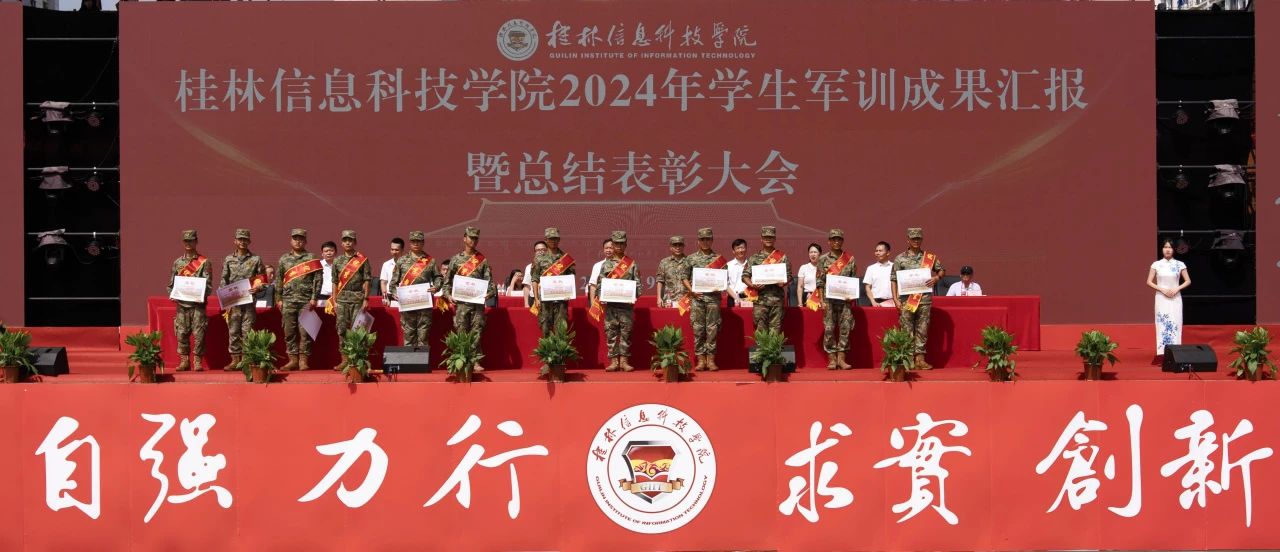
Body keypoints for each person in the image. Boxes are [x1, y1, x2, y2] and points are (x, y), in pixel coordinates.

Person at [890, 227, 945, 370]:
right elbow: (893, 279)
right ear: (908, 240)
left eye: (918, 238)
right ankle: (908, 359)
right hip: (906, 300)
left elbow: (941, 270)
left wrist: (936, 278)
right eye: (913, 238)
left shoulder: (929, 257)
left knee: (923, 329)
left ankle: (920, 359)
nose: (916, 241)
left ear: (922, 240)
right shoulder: (900, 258)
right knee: (906, 329)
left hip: (924, 300)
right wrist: (895, 298)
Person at [443, 226, 496, 372]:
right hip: (461, 304)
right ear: (464, 238)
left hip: (477, 304)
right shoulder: (456, 259)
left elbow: (491, 284)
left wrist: (489, 293)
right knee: (461, 331)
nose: (473, 240)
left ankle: (474, 361)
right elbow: (447, 283)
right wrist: (448, 295)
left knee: (476, 331)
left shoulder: (482, 260)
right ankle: (461, 360)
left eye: (476, 238)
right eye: (471, 237)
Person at [275, 228, 323, 371]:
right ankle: (293, 360)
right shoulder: (284, 259)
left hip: (305, 300)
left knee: (305, 332)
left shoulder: (311, 258)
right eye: (295, 238)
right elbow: (279, 280)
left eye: (301, 239)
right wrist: (278, 298)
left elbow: (317, 279)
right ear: (291, 240)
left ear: (305, 241)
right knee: (289, 332)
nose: (298, 241)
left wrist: (314, 297)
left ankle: (303, 360)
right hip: (288, 300)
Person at [219, 228, 267, 371]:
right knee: (233, 331)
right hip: (233, 302)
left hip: (249, 301)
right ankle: (235, 360)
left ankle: (247, 359)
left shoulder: (256, 259)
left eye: (245, 239)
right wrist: (224, 298)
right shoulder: (228, 259)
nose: (242, 242)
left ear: (249, 241)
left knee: (248, 331)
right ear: (235, 241)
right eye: (240, 239)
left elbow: (263, 279)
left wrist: (258, 287)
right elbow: (224, 280)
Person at [682, 227, 728, 371]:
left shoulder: (719, 259)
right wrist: (692, 290)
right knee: (698, 329)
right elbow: (684, 277)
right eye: (702, 239)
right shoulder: (691, 258)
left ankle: (711, 360)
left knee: (712, 329)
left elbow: (725, 279)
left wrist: (720, 285)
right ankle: (701, 360)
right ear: (698, 241)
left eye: (708, 239)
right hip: (698, 299)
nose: (705, 242)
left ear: (712, 240)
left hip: (713, 300)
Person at [388, 230, 441, 351]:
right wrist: (395, 294)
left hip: (424, 305)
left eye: (419, 241)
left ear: (423, 243)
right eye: (413, 241)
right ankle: (409, 361)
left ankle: (422, 361)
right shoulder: (402, 261)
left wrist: (436, 287)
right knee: (409, 336)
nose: (416, 243)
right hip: (407, 304)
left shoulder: (430, 261)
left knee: (423, 336)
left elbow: (438, 277)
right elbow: (393, 283)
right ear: (410, 243)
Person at [168, 229, 212, 371]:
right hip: (182, 305)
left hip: (198, 305)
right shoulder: (177, 263)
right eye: (186, 241)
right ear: (183, 242)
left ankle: (197, 361)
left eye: (191, 241)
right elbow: (171, 284)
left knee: (199, 334)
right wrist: (172, 294)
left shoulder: (204, 262)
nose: (188, 243)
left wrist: (202, 295)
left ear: (196, 241)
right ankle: (184, 360)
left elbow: (208, 284)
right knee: (181, 333)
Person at [328, 230, 371, 371]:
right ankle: (345, 360)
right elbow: (334, 281)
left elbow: (367, 280)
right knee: (341, 329)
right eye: (345, 240)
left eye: (350, 240)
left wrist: (366, 299)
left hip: (357, 299)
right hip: (341, 300)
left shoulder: (362, 259)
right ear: (341, 243)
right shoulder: (337, 260)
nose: (348, 242)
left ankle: (357, 360)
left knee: (357, 329)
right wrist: (334, 300)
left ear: (355, 242)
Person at [814, 230, 857, 370]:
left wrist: (852, 295)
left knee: (846, 328)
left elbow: (853, 281)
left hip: (845, 300)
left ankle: (842, 359)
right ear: (829, 242)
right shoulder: (823, 259)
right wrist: (821, 300)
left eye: (839, 239)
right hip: (829, 300)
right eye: (833, 239)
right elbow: (820, 282)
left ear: (842, 241)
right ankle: (832, 359)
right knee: (829, 329)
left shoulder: (850, 259)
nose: (836, 242)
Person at [598, 231, 639, 371]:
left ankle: (624, 361)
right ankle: (614, 361)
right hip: (611, 306)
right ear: (613, 244)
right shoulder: (606, 265)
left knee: (626, 333)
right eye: (616, 243)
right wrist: (601, 296)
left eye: (622, 243)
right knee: (611, 333)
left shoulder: (631, 264)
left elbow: (637, 284)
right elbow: (600, 283)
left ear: (626, 245)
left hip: (626, 306)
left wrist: (634, 295)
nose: (619, 246)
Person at [742, 226, 792, 334]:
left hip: (777, 300)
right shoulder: (754, 258)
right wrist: (753, 285)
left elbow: (789, 275)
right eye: (766, 237)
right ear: (761, 239)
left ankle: (773, 346)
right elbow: (745, 276)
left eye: (771, 237)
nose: (768, 239)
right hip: (760, 300)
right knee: (760, 331)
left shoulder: (782, 257)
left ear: (775, 239)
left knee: (776, 331)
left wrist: (784, 282)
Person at [530, 227, 576, 337]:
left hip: (561, 300)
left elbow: (571, 278)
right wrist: (536, 298)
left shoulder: (565, 259)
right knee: (545, 327)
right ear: (546, 240)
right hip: (545, 300)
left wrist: (569, 292)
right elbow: (535, 279)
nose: (554, 241)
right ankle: (547, 348)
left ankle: (560, 349)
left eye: (556, 239)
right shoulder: (539, 259)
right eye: (551, 239)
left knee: (561, 328)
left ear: (559, 240)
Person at [1148, 239, 1190, 355]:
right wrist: (1162, 289)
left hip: (1175, 298)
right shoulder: (1156, 264)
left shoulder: (1180, 264)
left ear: (1174, 249)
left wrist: (1177, 288)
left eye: (1170, 247)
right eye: (1165, 247)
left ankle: (1176, 352)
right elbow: (1149, 281)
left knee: (1176, 322)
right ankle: (1164, 352)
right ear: (1162, 249)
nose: (1167, 250)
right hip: (1161, 298)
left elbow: (1188, 281)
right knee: (1162, 324)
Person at [656, 236, 688, 307]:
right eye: (675, 245)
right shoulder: (664, 262)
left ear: (683, 246)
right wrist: (659, 298)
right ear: (670, 247)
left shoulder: (689, 261)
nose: (678, 247)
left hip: (686, 301)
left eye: (680, 245)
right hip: (669, 301)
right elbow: (660, 281)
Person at [863, 241, 895, 307]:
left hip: (892, 302)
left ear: (888, 252)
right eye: (876, 251)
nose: (877, 253)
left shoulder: (894, 267)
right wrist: (873, 302)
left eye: (880, 251)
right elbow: (867, 287)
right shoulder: (871, 268)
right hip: (876, 303)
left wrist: (896, 300)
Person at [522, 241, 549, 307]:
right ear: (535, 252)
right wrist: (526, 304)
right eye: (538, 250)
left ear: (547, 251)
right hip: (534, 299)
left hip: (550, 296)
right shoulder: (529, 267)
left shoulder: (553, 266)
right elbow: (527, 286)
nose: (541, 252)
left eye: (543, 249)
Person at [726, 238, 751, 307]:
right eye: (738, 248)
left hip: (749, 297)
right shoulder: (728, 265)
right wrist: (736, 298)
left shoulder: (751, 264)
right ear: (733, 251)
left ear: (746, 249)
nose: (740, 250)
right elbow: (725, 284)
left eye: (742, 248)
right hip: (733, 298)